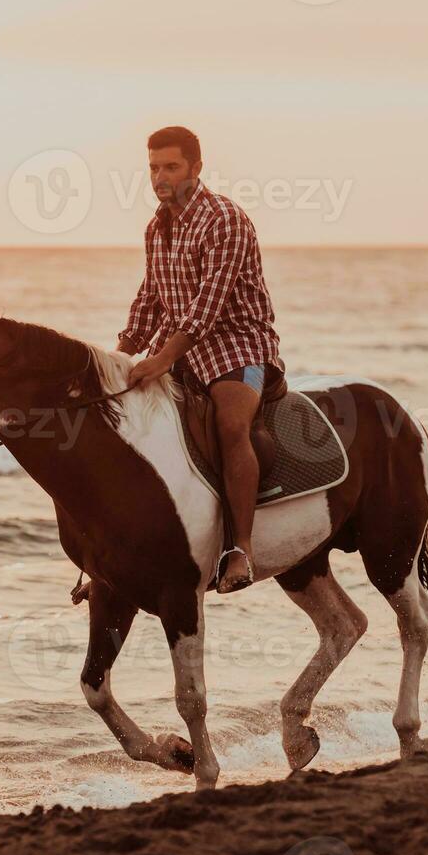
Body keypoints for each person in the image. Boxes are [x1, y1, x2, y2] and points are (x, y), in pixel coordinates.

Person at [119, 126, 284, 594]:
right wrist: (122, 354)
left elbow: (208, 305)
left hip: (239, 344)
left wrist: (162, 358)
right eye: (153, 167)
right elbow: (150, 298)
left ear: (195, 167)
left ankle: (241, 550)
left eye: (170, 166)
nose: (160, 176)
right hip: (182, 349)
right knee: (128, 421)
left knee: (232, 424)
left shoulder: (224, 219)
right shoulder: (156, 227)